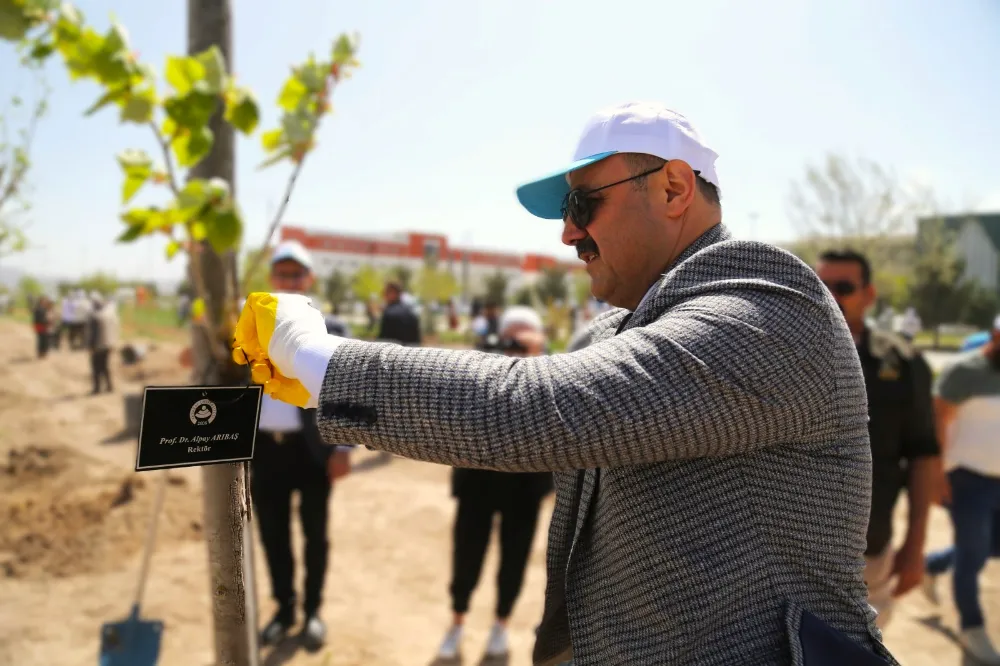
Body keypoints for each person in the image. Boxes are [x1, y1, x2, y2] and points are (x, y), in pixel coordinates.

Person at [234, 102, 897, 666]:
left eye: (584, 204)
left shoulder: (769, 302)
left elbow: (536, 408)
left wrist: (317, 358)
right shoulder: (616, 330)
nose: (567, 233)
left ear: (672, 189)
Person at [815, 250, 939, 629]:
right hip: (785, 549)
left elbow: (923, 454)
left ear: (868, 295)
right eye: (822, 285)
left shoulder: (901, 363)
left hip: (868, 548)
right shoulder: (776, 352)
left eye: (844, 287)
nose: (831, 295)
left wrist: (916, 546)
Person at [250, 240, 353, 652]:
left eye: (296, 274)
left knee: (315, 536)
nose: (289, 280)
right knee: (273, 535)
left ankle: (312, 611)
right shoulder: (252, 325)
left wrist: (344, 448)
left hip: (311, 453)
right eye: (282, 274)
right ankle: (284, 609)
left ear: (308, 278)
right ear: (271, 278)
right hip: (264, 453)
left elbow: (345, 390)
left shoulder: (328, 328)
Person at [437, 306, 555, 661]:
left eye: (523, 338)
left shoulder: (553, 374)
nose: (515, 345)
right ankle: (457, 622)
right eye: (510, 338)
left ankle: (501, 625)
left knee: (514, 559)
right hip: (477, 483)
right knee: (466, 553)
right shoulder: (478, 369)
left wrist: (536, 361)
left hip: (525, 488)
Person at [920, 314, 1000, 663]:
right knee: (972, 556)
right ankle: (972, 626)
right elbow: (937, 420)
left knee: (988, 548)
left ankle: (932, 564)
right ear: (995, 336)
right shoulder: (964, 371)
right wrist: (936, 476)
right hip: (967, 479)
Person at [85, 292, 120, 394]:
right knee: (105, 366)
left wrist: (90, 347)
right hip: (108, 345)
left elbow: (92, 334)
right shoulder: (111, 315)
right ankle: (110, 386)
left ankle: (97, 389)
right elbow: (115, 330)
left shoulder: (94, 316)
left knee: (96, 368)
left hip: (97, 346)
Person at [377, 281, 421, 345]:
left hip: (394, 352)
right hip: (411, 352)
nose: (383, 295)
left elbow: (383, 340)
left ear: (394, 293)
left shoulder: (389, 313)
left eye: (386, 292)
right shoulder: (410, 311)